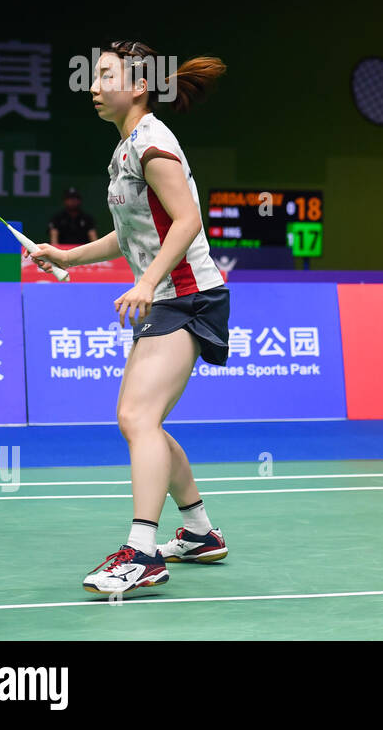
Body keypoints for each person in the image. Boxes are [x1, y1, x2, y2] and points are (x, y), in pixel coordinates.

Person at [31, 40, 230, 596]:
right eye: (93, 77)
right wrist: (67, 257)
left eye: (105, 76)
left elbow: (187, 219)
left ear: (139, 87)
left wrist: (145, 282)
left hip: (187, 296)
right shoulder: (126, 148)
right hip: (166, 295)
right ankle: (199, 532)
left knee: (137, 416)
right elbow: (132, 234)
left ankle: (142, 552)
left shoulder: (153, 144)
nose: (93, 87)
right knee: (144, 421)